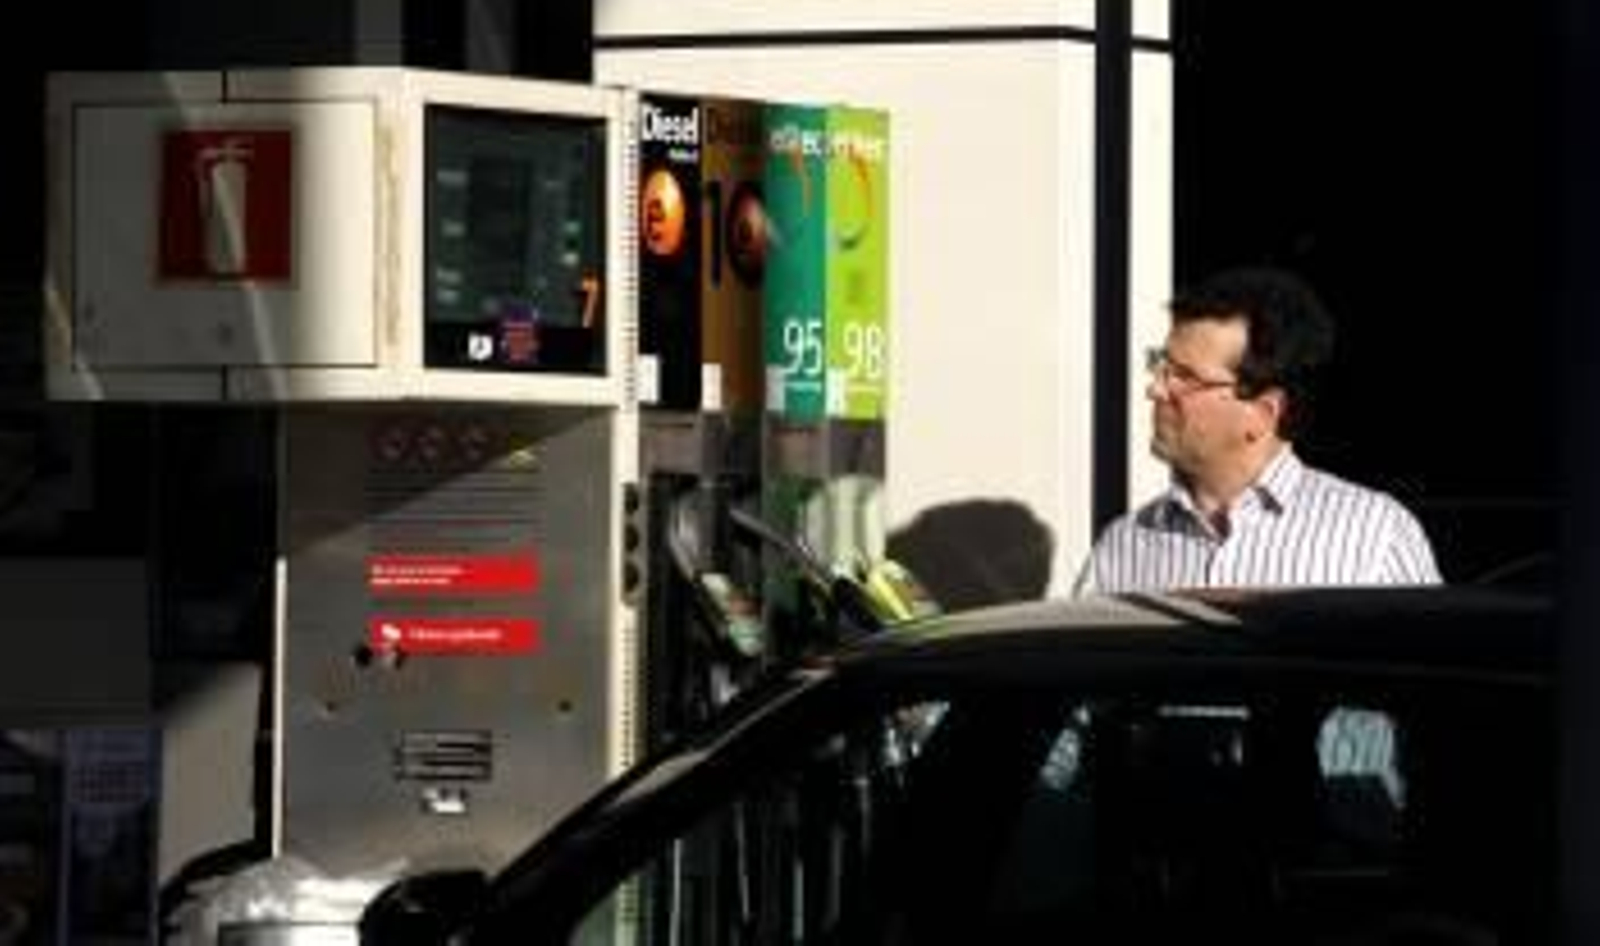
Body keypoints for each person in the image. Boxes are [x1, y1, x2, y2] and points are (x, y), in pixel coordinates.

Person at [1076, 266, 1441, 594]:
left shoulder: (1372, 537)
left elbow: (1423, 666)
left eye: (1184, 377)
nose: (1155, 389)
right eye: (1161, 366)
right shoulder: (1123, 546)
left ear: (1263, 414)